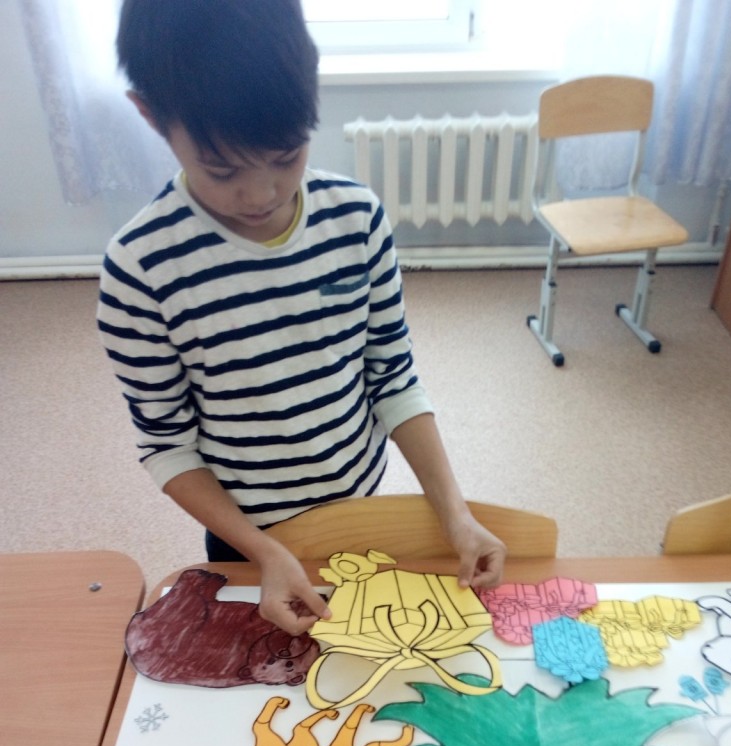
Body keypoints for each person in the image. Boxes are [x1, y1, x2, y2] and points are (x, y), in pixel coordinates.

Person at [99, 0, 506, 635]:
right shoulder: (140, 268)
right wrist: (263, 552)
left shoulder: (356, 219)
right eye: (222, 170)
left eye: (286, 156)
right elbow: (167, 444)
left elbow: (392, 378)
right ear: (151, 114)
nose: (261, 194)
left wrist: (454, 514)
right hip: (246, 533)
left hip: (358, 501)